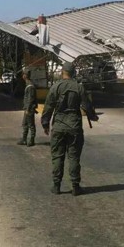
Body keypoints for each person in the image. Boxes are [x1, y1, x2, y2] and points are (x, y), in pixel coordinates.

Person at [41, 62, 98, 196]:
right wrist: (93, 117)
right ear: (74, 73)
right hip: (74, 126)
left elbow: (48, 107)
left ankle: (56, 186)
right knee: (73, 157)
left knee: (57, 156)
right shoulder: (79, 88)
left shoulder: (56, 87)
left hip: (59, 126)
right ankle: (75, 186)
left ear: (63, 72)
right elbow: (87, 106)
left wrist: (45, 123)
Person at [17, 69, 38, 147]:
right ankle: (24, 139)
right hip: (27, 108)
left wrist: (28, 109)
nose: (22, 76)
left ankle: (32, 140)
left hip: (29, 109)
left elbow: (30, 99)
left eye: (23, 74)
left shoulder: (30, 86)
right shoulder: (28, 85)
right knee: (25, 124)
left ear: (25, 75)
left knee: (31, 125)